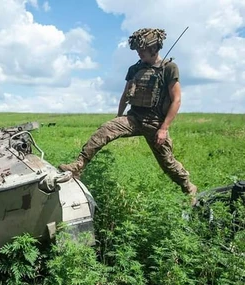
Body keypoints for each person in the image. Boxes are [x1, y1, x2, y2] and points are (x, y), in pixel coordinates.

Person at [59, 28, 197, 197]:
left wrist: (164, 128)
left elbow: (176, 100)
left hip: (155, 123)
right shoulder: (134, 69)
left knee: (167, 163)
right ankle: (78, 166)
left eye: (142, 50)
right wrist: (117, 119)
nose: (139, 53)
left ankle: (189, 187)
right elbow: (125, 95)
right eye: (137, 50)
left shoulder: (169, 68)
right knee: (103, 131)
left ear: (154, 48)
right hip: (134, 118)